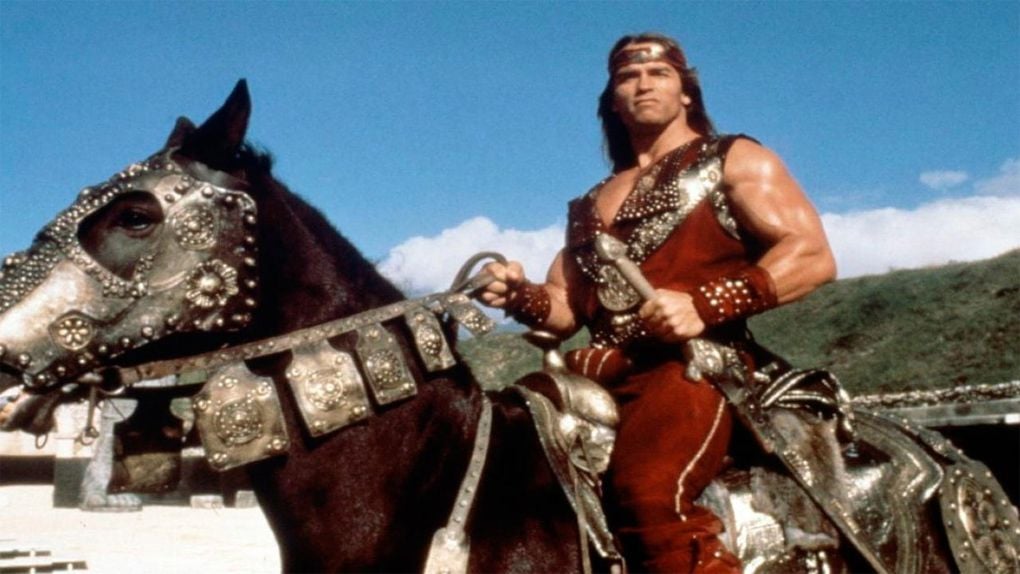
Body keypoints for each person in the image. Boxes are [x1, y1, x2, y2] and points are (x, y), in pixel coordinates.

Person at [478, 32, 836, 573]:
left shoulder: (734, 159)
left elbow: (811, 255)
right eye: (627, 77)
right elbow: (567, 307)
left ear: (686, 92)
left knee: (649, 497)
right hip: (595, 376)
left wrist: (703, 305)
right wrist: (517, 294)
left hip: (690, 372)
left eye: (659, 73)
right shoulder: (589, 204)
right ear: (613, 100)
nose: (643, 84)